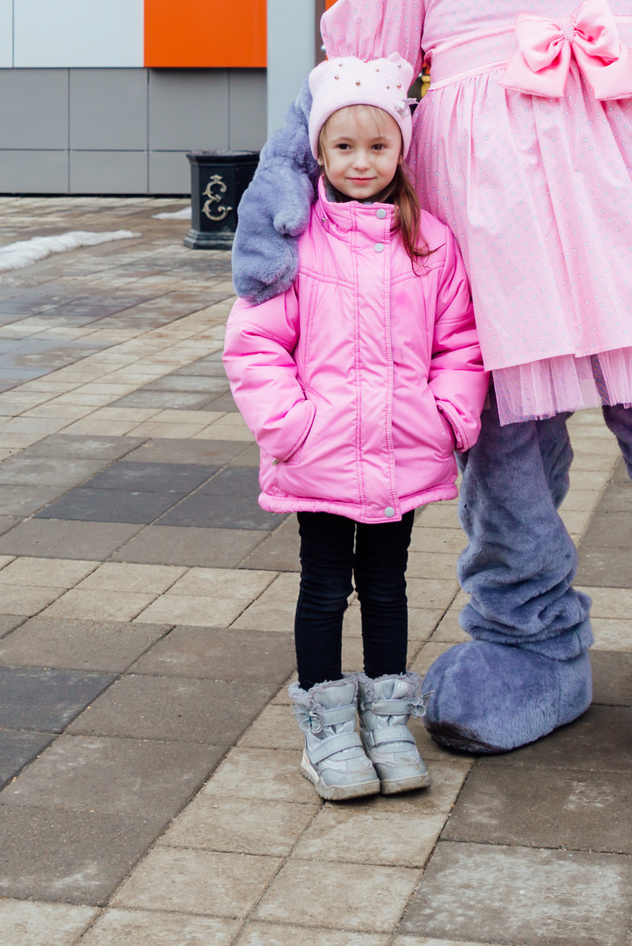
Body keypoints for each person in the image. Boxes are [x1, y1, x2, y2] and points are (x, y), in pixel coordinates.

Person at [224, 55, 488, 803]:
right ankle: (328, 728)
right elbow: (255, 343)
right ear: (320, 152)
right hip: (323, 452)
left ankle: (387, 720)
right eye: (344, 147)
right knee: (322, 586)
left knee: (386, 584)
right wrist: (290, 426)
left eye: (378, 146)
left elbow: (460, 343)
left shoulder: (430, 242)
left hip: (402, 451)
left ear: (402, 149)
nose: (362, 162)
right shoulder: (297, 243)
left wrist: (445, 417)